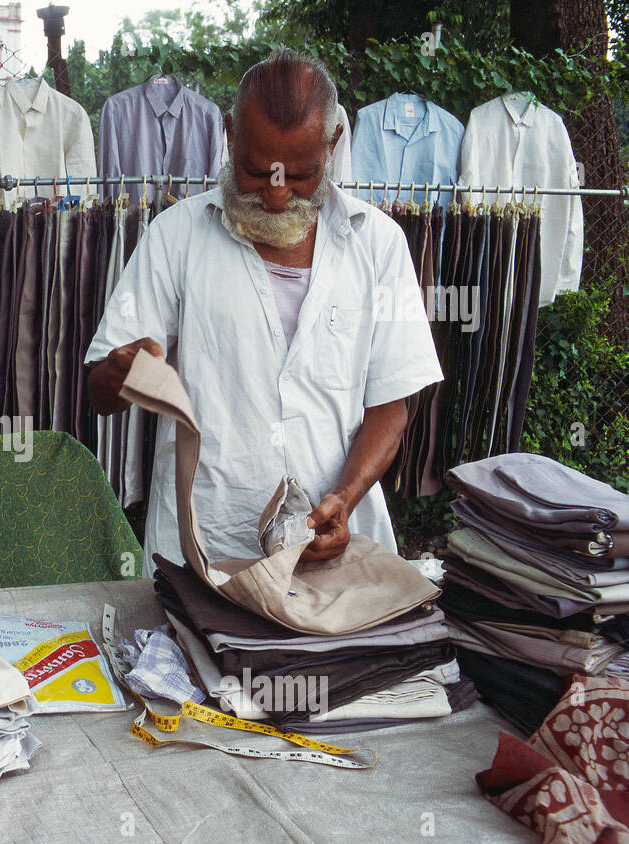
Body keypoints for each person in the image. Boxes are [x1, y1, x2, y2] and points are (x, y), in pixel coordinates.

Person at [84, 49, 442, 576]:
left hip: (335, 551)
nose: (276, 195)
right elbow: (100, 393)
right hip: (204, 551)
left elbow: (392, 405)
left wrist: (343, 497)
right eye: (256, 171)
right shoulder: (175, 237)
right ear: (228, 134)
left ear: (333, 143)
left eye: (300, 175)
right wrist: (120, 373)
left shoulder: (379, 244)